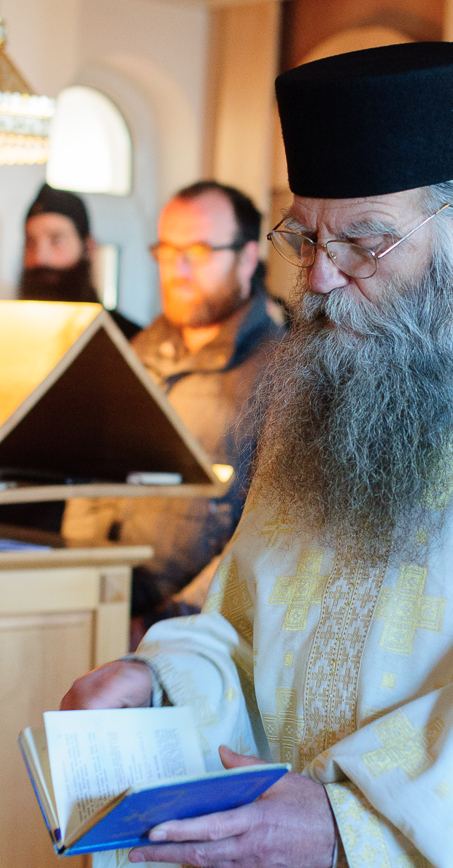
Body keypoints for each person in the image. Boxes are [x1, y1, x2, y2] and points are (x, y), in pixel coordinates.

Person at [61, 42, 453, 868]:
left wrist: (350, 830)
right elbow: (248, 624)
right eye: (305, 239)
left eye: (362, 243)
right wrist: (157, 679)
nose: (319, 280)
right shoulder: (332, 379)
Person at [63, 181, 285, 630]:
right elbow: (89, 484)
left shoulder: (282, 376)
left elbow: (266, 533)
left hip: (184, 635)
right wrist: (78, 589)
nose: (177, 269)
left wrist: (169, 624)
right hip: (89, 612)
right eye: (167, 251)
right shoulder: (132, 355)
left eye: (198, 252)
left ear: (246, 258)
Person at [20, 183, 141, 339]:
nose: (40, 258)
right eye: (31, 243)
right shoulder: (6, 335)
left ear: (88, 248)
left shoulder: (128, 339)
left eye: (56, 241)